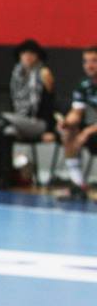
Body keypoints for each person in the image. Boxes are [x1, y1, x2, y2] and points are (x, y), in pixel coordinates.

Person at [0, 39, 55, 188]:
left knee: (2, 119)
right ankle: (4, 178)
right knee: (6, 132)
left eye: (32, 53)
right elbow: (14, 104)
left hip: (38, 123)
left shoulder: (44, 73)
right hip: (19, 121)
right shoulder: (16, 75)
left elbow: (50, 103)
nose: (28, 56)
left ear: (37, 56)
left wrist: (50, 130)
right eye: (24, 53)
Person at [56, 46, 97, 201]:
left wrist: (87, 132)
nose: (89, 65)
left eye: (94, 61)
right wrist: (66, 122)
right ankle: (78, 185)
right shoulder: (84, 84)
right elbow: (76, 113)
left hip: (93, 130)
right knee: (68, 132)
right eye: (86, 61)